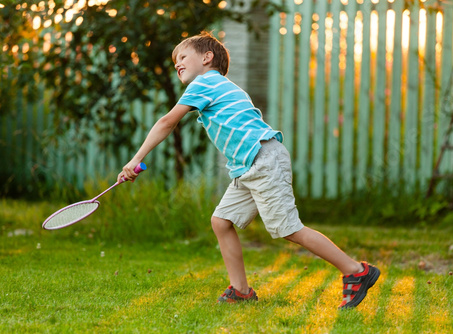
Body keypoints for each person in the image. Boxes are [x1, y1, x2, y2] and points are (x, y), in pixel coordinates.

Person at [118, 31, 380, 308]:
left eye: (182, 57)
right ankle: (241, 290)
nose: (177, 64)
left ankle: (356, 271)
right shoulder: (218, 86)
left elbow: (167, 122)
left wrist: (135, 159)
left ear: (207, 58)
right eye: (174, 62)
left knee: (288, 229)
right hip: (248, 165)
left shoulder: (205, 82)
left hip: (262, 159)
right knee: (221, 222)